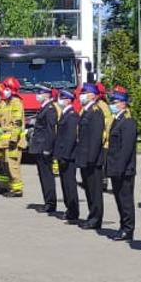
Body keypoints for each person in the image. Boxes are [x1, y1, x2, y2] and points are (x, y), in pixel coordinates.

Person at [104, 89, 138, 242]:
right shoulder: (117, 120)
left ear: (123, 104)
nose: (112, 105)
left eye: (114, 102)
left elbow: (126, 149)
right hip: (115, 167)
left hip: (124, 169)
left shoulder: (128, 121)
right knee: (119, 199)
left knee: (125, 200)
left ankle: (128, 229)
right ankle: (123, 225)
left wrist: (119, 168)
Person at [74, 82, 108, 231]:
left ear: (92, 95)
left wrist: (90, 159)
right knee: (88, 189)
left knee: (95, 191)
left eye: (84, 93)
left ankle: (96, 218)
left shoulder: (96, 111)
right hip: (85, 157)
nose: (81, 96)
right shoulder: (86, 111)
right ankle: (91, 216)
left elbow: (95, 138)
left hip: (92, 159)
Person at [28, 83, 61, 210]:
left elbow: (50, 131)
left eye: (40, 93)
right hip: (39, 147)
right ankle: (47, 200)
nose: (38, 95)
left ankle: (50, 203)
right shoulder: (44, 107)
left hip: (44, 148)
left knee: (47, 176)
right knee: (43, 176)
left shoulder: (50, 109)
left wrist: (48, 149)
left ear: (47, 94)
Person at [52, 88, 82, 224]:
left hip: (68, 157)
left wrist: (65, 156)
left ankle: (73, 210)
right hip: (63, 155)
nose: (59, 100)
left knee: (70, 184)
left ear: (68, 100)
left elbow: (70, 139)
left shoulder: (72, 116)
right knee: (65, 184)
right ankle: (69, 208)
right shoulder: (65, 114)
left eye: (62, 98)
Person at [0, 78, 25, 195]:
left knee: (13, 165)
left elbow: (17, 123)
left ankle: (17, 189)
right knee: (7, 165)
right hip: (6, 141)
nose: (4, 91)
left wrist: (13, 139)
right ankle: (12, 187)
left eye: (7, 89)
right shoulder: (7, 102)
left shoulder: (16, 103)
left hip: (14, 142)